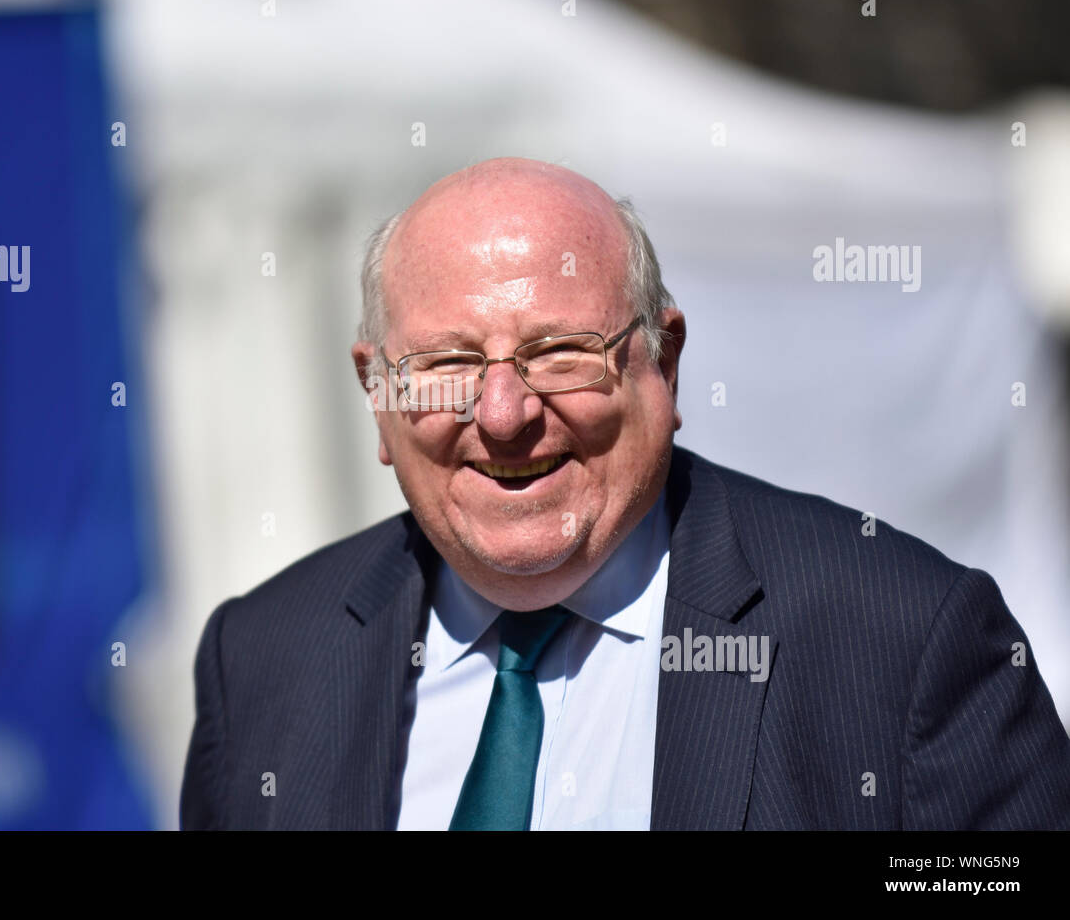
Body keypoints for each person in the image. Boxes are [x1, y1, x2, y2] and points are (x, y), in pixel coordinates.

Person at [180, 157, 1070, 830]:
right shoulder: (262, 661)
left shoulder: (905, 640)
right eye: (447, 364)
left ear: (665, 364)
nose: (503, 415)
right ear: (380, 396)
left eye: (561, 352)